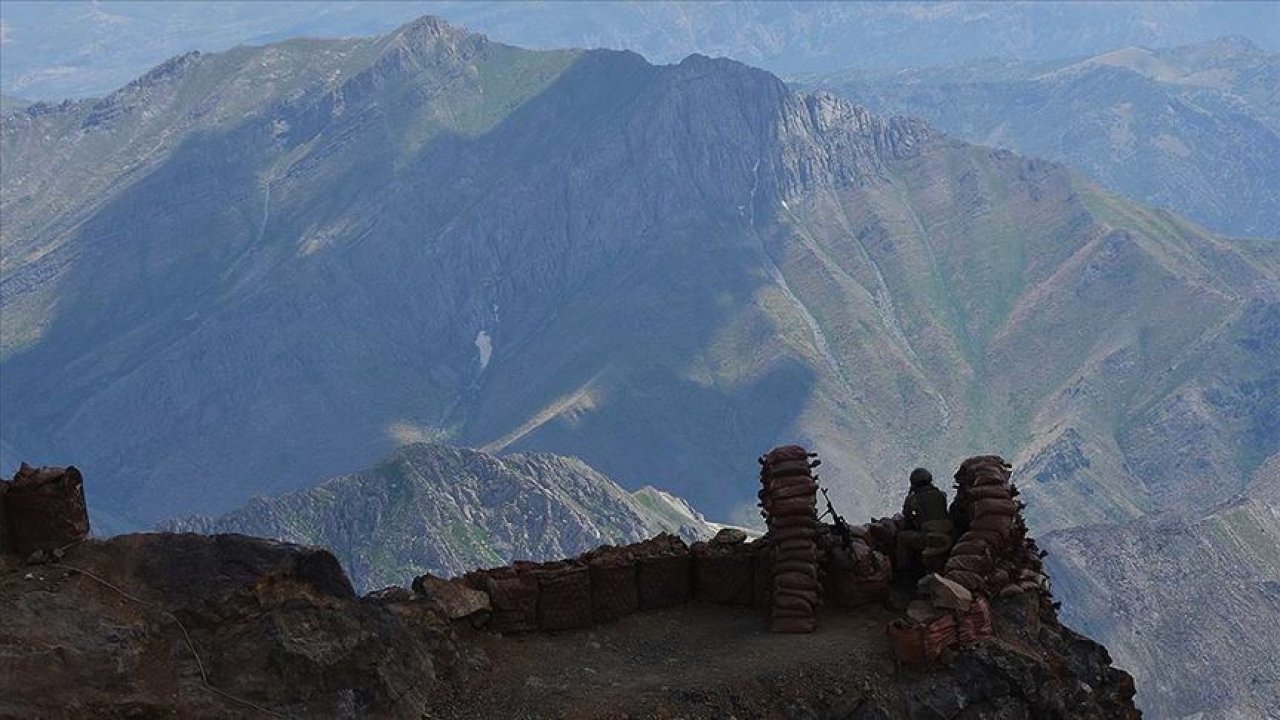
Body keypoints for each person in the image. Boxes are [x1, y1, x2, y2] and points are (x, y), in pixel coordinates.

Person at [895, 468, 954, 579]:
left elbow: (907, 516)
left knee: (901, 537)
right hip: (949, 536)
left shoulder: (913, 498)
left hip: (930, 538)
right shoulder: (941, 494)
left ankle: (903, 571)